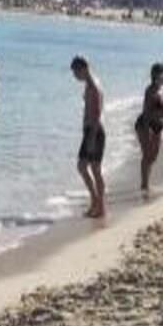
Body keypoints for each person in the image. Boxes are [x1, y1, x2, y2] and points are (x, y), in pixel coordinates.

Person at [70, 56, 106, 218]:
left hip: (94, 131)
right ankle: (96, 203)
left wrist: (91, 137)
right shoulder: (91, 83)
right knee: (86, 167)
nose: (75, 76)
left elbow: (97, 114)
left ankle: (100, 205)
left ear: (83, 69)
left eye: (75, 72)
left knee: (90, 168)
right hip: (91, 131)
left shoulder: (93, 87)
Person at [135, 62, 163, 195]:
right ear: (155, 75)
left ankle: (146, 182)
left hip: (158, 125)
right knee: (147, 155)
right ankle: (144, 185)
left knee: (153, 157)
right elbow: (146, 111)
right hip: (145, 124)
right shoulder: (150, 90)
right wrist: (147, 130)